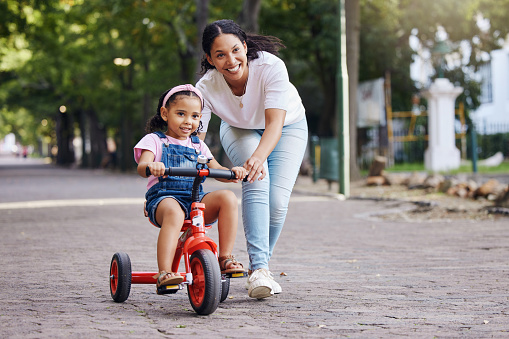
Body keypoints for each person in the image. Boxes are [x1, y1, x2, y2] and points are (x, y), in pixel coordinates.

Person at [196, 20, 308, 299]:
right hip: (239, 128)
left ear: (245, 47)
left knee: (277, 202)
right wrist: (213, 166)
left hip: (286, 126)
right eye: (220, 55)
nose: (231, 61)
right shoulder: (205, 87)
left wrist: (259, 156)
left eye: (235, 50)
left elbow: (274, 124)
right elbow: (195, 138)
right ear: (210, 59)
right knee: (257, 182)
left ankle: (261, 268)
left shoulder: (270, 67)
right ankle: (260, 270)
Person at [134, 84, 248, 290]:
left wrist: (233, 173)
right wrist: (152, 166)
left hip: (195, 199)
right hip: (163, 199)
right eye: (181, 114)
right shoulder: (155, 141)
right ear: (165, 113)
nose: (188, 121)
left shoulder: (198, 146)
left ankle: (224, 258)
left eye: (195, 116)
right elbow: (142, 167)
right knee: (174, 213)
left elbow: (217, 169)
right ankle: (165, 272)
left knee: (228, 198)